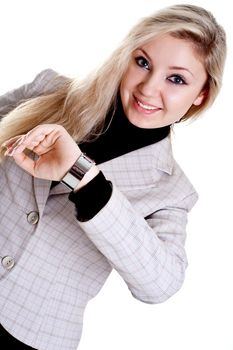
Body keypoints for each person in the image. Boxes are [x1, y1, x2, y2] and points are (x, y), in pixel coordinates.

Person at [0, 4, 226, 350]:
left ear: (201, 95)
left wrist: (83, 177)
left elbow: (160, 284)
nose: (149, 88)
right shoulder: (50, 91)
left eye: (176, 79)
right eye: (143, 62)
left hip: (31, 336)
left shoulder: (171, 191)